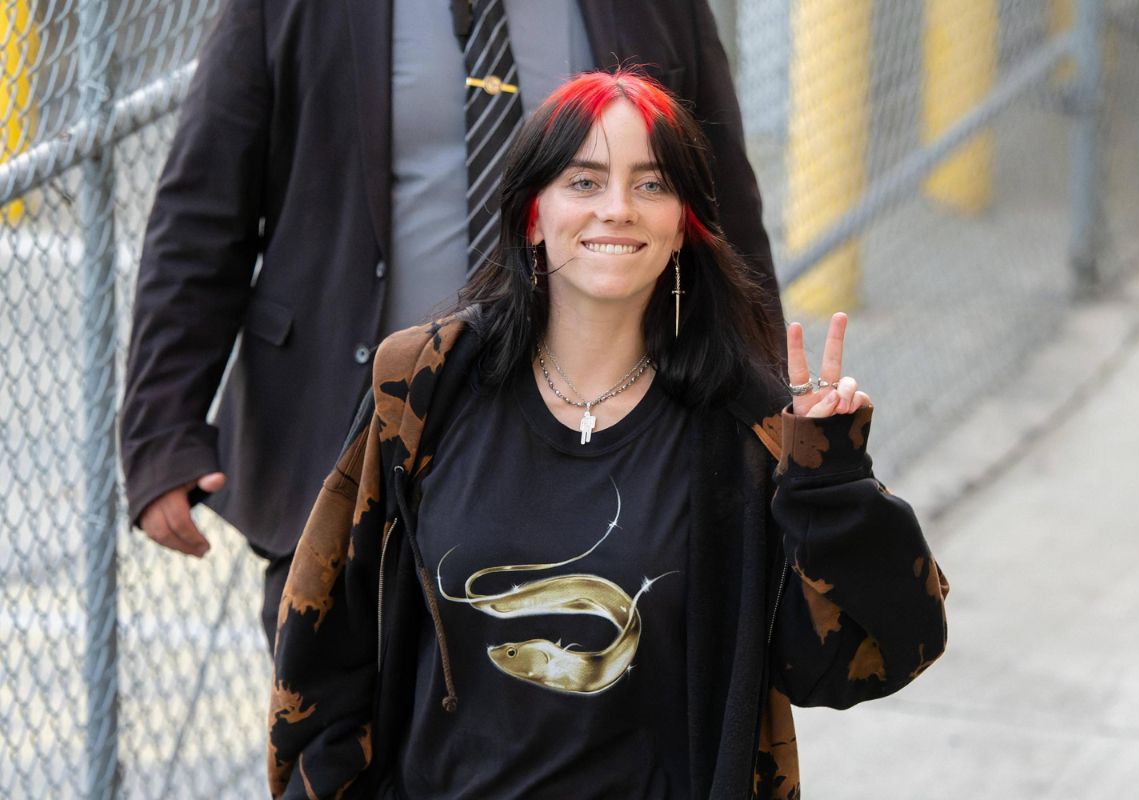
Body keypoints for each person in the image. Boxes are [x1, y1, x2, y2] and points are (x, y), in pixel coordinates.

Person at [267, 70, 948, 800]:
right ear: (532, 216)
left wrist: (831, 484)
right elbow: (322, 643)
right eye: (585, 182)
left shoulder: (744, 428)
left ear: (683, 225)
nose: (618, 209)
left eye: (652, 185)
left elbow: (861, 660)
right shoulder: (425, 385)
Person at [119, 0, 782, 647]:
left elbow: (719, 206)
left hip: (592, 444)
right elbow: (203, 206)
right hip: (352, 436)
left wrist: (774, 424)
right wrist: (162, 429)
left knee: (561, 684)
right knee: (335, 700)